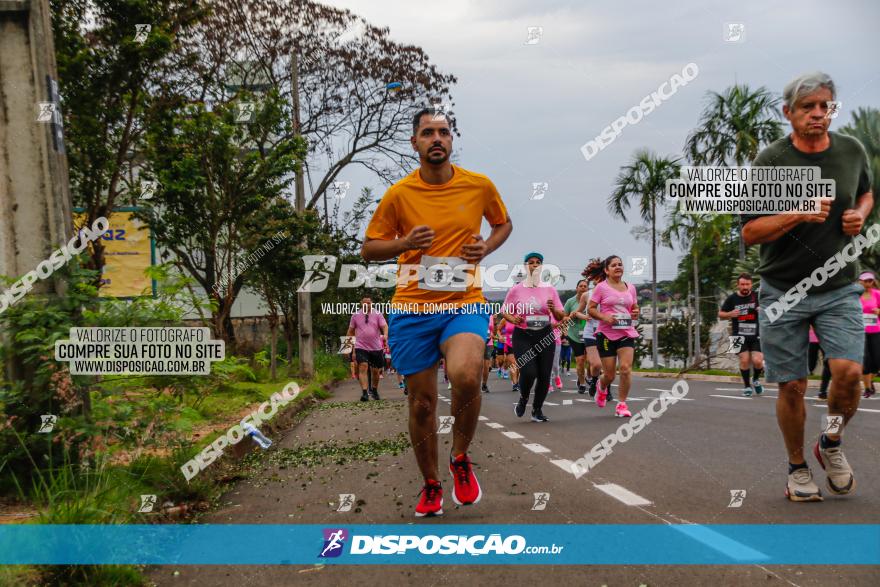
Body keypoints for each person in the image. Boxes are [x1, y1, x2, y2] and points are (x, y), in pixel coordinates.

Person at [361, 106, 512, 517]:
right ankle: (430, 484)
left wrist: (487, 247)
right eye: (428, 133)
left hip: (464, 302)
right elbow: (369, 248)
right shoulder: (399, 194)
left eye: (443, 132)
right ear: (415, 142)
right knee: (422, 404)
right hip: (413, 307)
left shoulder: (478, 186)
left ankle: (460, 457)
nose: (437, 139)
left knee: (465, 374)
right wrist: (404, 242)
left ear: (452, 140)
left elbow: (503, 223)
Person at [742, 72, 873, 502]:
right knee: (793, 385)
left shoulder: (851, 151)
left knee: (850, 374)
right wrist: (796, 213)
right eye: (808, 107)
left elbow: (867, 194)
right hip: (784, 290)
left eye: (825, 106)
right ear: (788, 113)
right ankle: (797, 466)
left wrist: (859, 213)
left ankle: (830, 443)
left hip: (839, 285)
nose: (818, 114)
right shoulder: (771, 162)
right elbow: (751, 233)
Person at [502, 252, 565, 422]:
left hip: (545, 335)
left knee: (545, 375)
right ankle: (523, 399)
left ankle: (537, 410)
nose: (535, 265)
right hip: (523, 335)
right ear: (525, 266)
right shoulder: (516, 290)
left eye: (538, 262)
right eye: (531, 262)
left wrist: (553, 310)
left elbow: (561, 316)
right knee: (529, 372)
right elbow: (504, 311)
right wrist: (513, 318)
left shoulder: (550, 289)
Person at [586, 256, 640, 417]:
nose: (618, 267)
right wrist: (605, 317)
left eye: (620, 264)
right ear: (606, 270)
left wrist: (635, 312)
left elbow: (634, 307)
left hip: (626, 332)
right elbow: (591, 309)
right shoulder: (601, 288)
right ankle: (601, 388)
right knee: (609, 374)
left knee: (625, 369)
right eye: (614, 265)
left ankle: (621, 404)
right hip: (606, 334)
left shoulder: (630, 287)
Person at [719, 273, 765, 397]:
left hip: (756, 334)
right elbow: (720, 314)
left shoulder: (757, 296)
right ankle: (746, 386)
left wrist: (762, 310)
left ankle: (755, 380)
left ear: (751, 284)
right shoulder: (732, 298)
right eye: (742, 284)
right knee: (744, 360)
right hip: (737, 335)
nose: (745, 287)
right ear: (738, 285)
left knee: (758, 361)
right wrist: (730, 314)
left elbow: (769, 309)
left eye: (747, 284)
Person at [347, 297, 388, 401]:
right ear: (361, 303)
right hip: (361, 346)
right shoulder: (355, 315)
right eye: (365, 303)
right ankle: (365, 393)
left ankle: (374, 390)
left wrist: (385, 336)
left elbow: (384, 326)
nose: (367, 305)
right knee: (363, 367)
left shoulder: (378, 314)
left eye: (369, 303)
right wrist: (347, 347)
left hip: (376, 347)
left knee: (375, 371)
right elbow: (350, 331)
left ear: (372, 304)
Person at [858, 271, 880, 398]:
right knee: (865, 362)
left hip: (876, 331)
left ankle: (869, 381)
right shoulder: (855, 295)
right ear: (859, 281)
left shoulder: (877, 294)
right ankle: (867, 388)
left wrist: (879, 311)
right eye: (865, 281)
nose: (868, 283)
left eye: (870, 280)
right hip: (860, 333)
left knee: (877, 362)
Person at [565, 279, 590, 393]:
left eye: (585, 286)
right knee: (580, 360)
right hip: (574, 335)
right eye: (581, 286)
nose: (583, 287)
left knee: (590, 360)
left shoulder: (592, 301)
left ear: (588, 288)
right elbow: (564, 318)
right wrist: (571, 316)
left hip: (590, 334)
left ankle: (589, 377)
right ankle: (582, 383)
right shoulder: (570, 302)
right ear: (577, 288)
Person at [808, 327, 831, 400]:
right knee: (810, 365)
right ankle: (795, 388)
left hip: (826, 338)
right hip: (813, 338)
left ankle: (822, 391)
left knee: (828, 364)